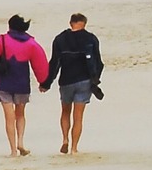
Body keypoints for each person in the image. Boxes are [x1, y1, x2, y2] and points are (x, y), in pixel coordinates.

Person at [40, 13, 105, 154]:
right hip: (84, 81)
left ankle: (65, 139)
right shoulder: (91, 39)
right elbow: (98, 62)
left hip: (66, 81)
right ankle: (74, 148)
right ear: (84, 23)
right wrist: (95, 80)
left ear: (71, 23)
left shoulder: (60, 39)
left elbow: (54, 64)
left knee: (65, 112)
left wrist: (46, 83)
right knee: (78, 116)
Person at [0, 15, 50, 157]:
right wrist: (43, 82)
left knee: (9, 117)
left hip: (3, 84)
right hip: (22, 84)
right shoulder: (31, 44)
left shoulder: (1, 40)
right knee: (20, 114)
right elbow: (39, 65)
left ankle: (13, 150)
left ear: (10, 26)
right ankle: (21, 142)